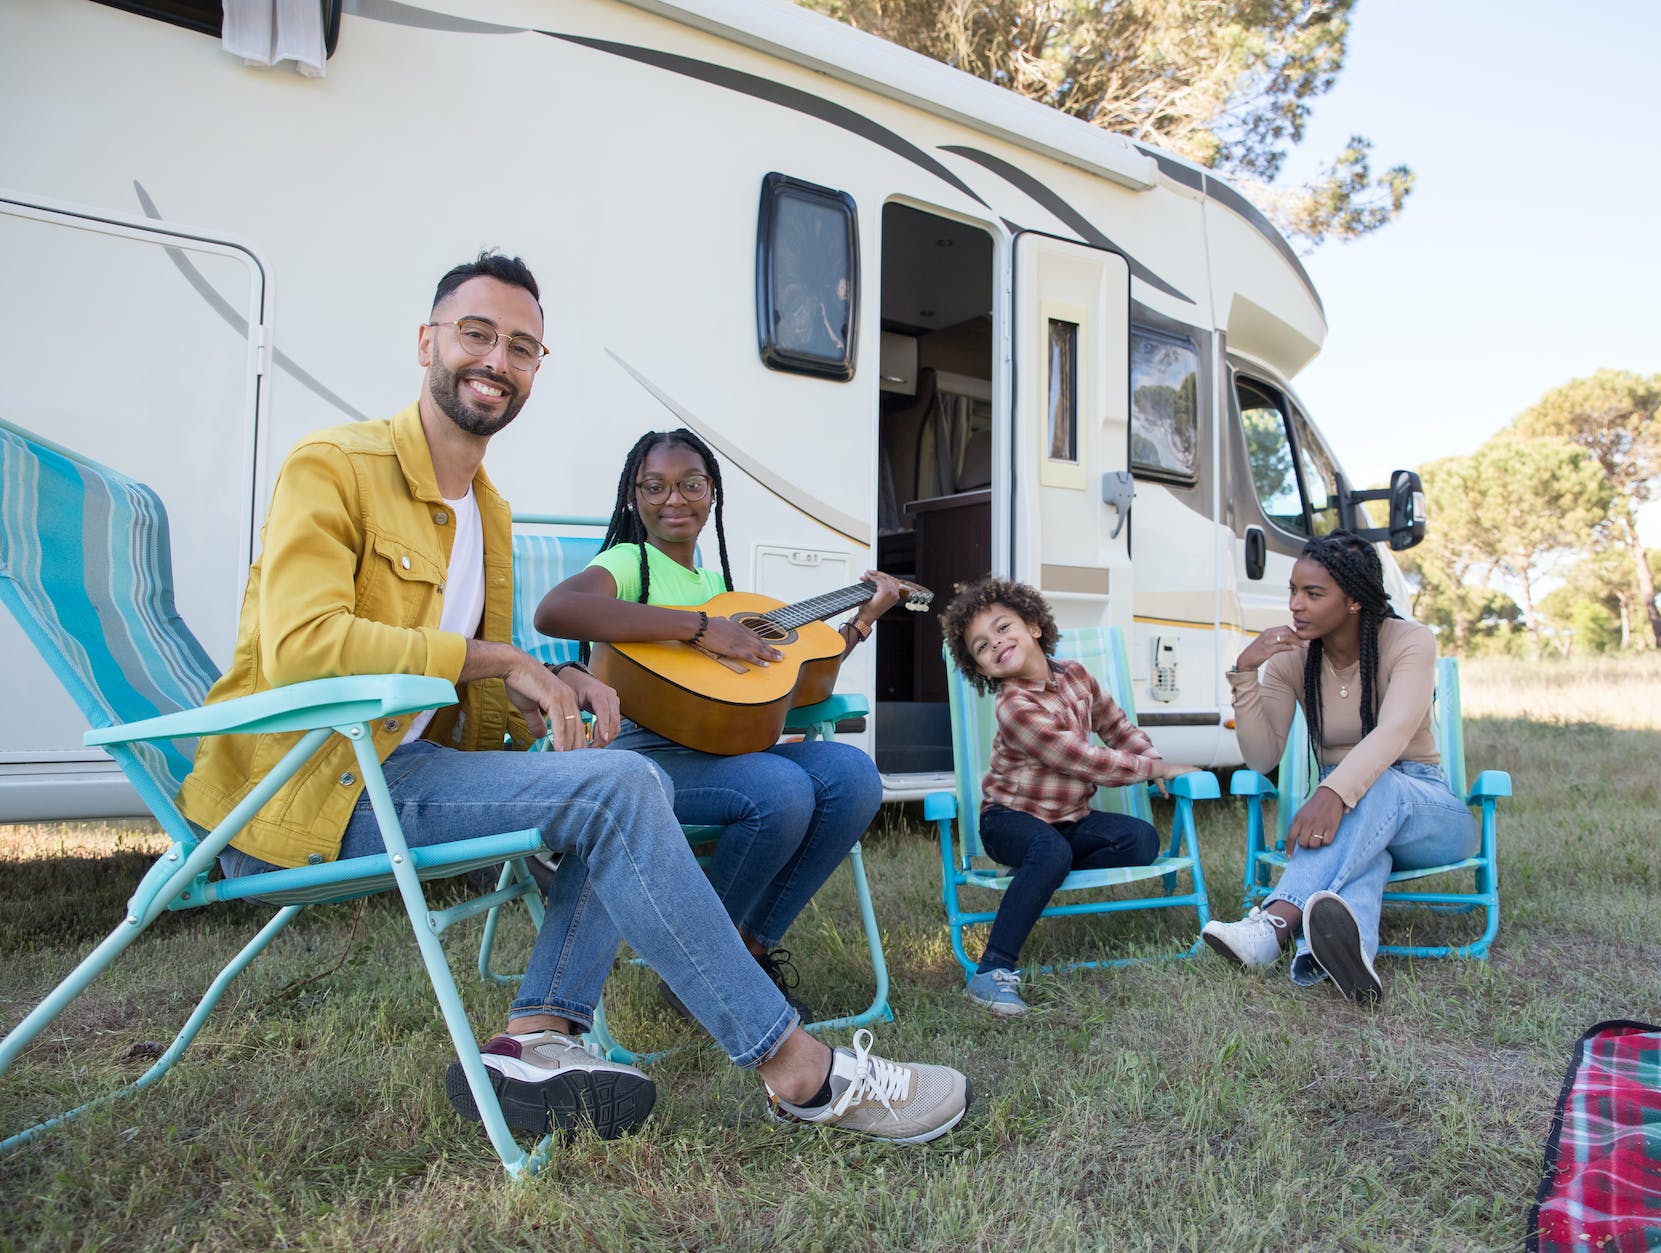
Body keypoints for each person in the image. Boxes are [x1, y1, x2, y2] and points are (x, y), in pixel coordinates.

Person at [176, 252, 968, 1145]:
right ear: (428, 341)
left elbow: (473, 693)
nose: (496, 360)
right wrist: (503, 656)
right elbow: (301, 647)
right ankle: (803, 1074)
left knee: (613, 779)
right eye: (477, 334)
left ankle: (538, 1040)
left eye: (522, 346)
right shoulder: (335, 466)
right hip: (312, 785)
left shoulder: (488, 509)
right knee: (622, 786)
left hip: (413, 769)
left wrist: (560, 683)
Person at [532, 428, 898, 1016]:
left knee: (852, 776)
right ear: (634, 496)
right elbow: (555, 610)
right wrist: (700, 629)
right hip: (638, 754)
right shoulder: (631, 564)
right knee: (780, 790)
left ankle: (745, 951)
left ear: (713, 495)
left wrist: (859, 623)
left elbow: (789, 675)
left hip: (711, 749)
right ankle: (699, 969)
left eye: (691, 485)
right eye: (655, 486)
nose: (674, 499)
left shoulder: (718, 588)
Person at [1200, 530, 1476, 1006]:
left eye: (1312, 593)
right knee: (1365, 859)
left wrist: (1332, 793)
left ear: (1353, 601)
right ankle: (1334, 958)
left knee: (1379, 787)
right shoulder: (1292, 659)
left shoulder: (1409, 641)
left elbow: (1392, 733)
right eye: (1292, 590)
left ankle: (1274, 923)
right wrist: (1245, 673)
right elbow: (1263, 756)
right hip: (1357, 832)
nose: (1295, 605)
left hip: (1426, 812)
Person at [937, 577, 1198, 1016]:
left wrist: (1151, 758)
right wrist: (1157, 769)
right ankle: (991, 971)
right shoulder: (1014, 707)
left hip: (1067, 819)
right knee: (1047, 848)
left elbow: (1116, 727)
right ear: (983, 671)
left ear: (1035, 626)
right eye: (981, 646)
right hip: (1007, 820)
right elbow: (1083, 760)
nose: (996, 644)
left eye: (1003, 628)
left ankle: (1039, 868)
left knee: (1141, 842)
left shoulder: (1077, 675)